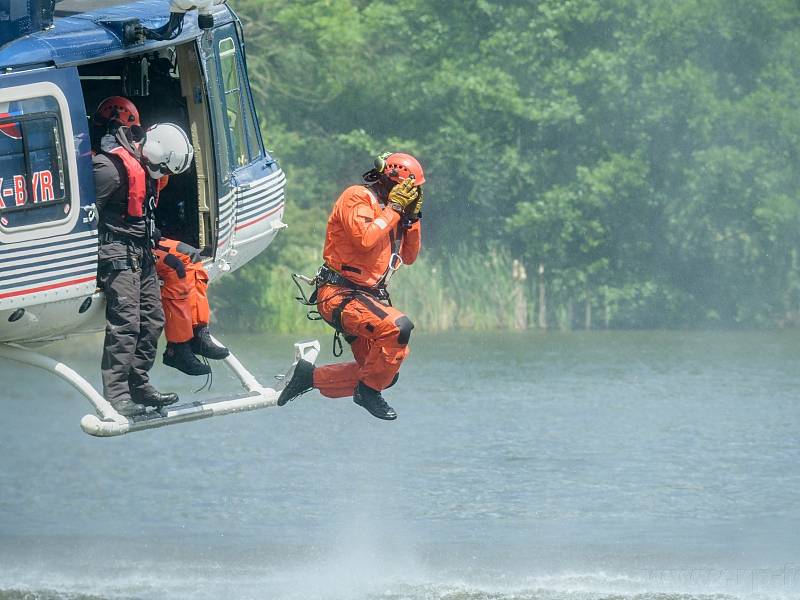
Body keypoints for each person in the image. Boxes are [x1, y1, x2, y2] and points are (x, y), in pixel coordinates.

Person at [277, 152, 424, 420]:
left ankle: (310, 377)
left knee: (383, 371)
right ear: (388, 180)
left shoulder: (395, 211)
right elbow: (365, 239)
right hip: (340, 293)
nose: (408, 194)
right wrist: (394, 209)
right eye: (405, 188)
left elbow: (410, 257)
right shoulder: (356, 196)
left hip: (367, 298)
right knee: (399, 328)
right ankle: (367, 393)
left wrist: (411, 219)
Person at [92, 96, 193, 416]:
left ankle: (139, 382)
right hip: (116, 251)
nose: (161, 174)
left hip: (142, 252)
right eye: (161, 168)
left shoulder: (146, 168)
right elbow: (85, 215)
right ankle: (117, 394)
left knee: (152, 320)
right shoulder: (108, 169)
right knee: (126, 324)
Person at [154, 234, 229, 375]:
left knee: (191, 254)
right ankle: (177, 348)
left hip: (142, 234)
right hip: (125, 241)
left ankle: (198, 333)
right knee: (175, 267)